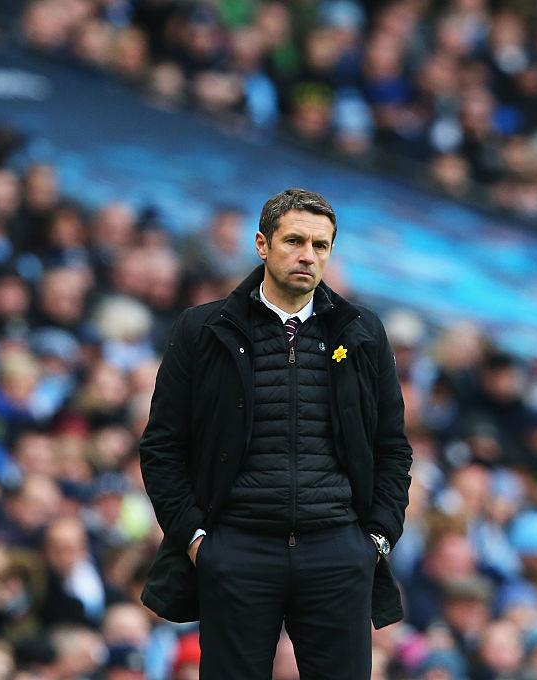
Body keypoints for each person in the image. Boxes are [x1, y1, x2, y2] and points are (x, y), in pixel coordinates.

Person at [139, 187, 413, 678]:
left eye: (321, 246)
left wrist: (375, 538)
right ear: (262, 244)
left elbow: (392, 447)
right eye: (294, 241)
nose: (308, 255)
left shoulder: (363, 332)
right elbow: (162, 446)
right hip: (236, 548)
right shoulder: (202, 329)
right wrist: (198, 539)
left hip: (337, 549)